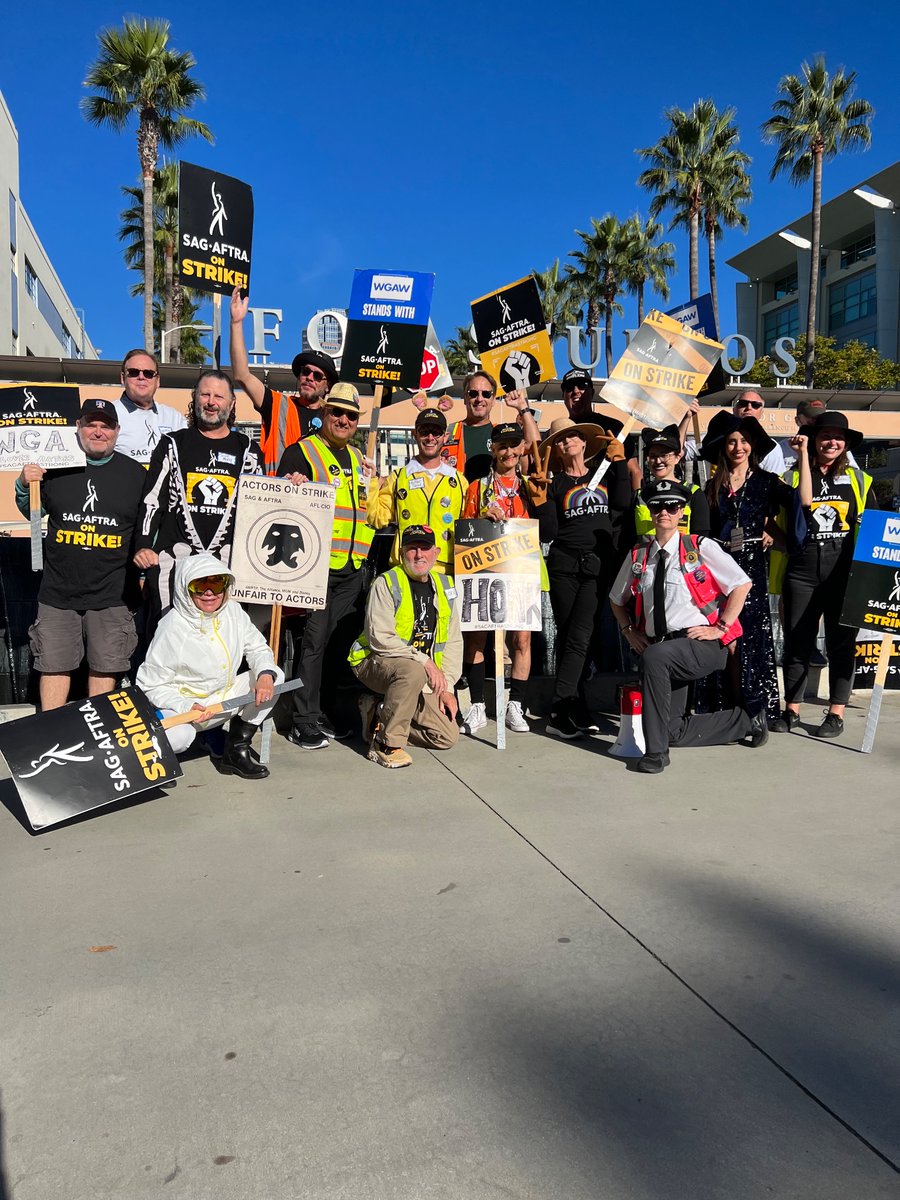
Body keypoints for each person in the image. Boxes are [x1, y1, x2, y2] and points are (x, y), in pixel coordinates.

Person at [609, 479, 767, 774]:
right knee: (672, 729)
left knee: (655, 657)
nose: (664, 512)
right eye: (657, 506)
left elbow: (742, 584)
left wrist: (721, 627)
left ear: (682, 511)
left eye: (671, 506)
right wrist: (629, 630)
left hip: (703, 645)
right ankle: (745, 721)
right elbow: (616, 600)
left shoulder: (699, 547)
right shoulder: (639, 556)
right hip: (665, 650)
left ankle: (656, 753)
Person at [15, 399, 147, 710]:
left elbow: (147, 529)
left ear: (117, 430)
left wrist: (143, 573)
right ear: (78, 426)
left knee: (106, 665)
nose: (98, 431)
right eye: (91, 424)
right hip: (59, 591)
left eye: (106, 425)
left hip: (113, 593)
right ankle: (51, 731)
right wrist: (24, 485)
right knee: (53, 664)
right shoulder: (56, 465)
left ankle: (96, 735)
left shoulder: (136, 474)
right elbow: (31, 513)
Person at [278, 382, 376, 750]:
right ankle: (303, 718)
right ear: (324, 413)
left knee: (339, 645)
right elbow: (279, 505)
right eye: (337, 412)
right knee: (314, 645)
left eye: (351, 415)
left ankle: (324, 711)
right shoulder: (301, 452)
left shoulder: (358, 459)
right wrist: (292, 486)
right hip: (315, 568)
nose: (344, 419)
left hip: (353, 567)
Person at [772, 411, 877, 738]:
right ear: (813, 441)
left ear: (845, 444)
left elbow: (876, 529)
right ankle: (792, 710)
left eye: (838, 437)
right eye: (825, 436)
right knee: (797, 642)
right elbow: (771, 517)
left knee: (840, 644)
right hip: (800, 573)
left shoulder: (861, 481)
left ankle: (836, 713)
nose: (832, 442)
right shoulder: (791, 477)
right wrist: (782, 541)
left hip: (843, 575)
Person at [137, 554, 283, 780]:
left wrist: (264, 674)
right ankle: (158, 763)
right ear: (186, 589)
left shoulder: (233, 611)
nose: (209, 593)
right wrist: (186, 705)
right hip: (186, 708)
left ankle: (236, 751)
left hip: (223, 700)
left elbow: (258, 647)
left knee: (275, 676)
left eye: (216, 584)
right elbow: (149, 685)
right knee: (178, 737)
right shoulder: (172, 627)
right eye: (199, 585)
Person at [134, 369, 264, 620]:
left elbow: (259, 508)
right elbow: (152, 501)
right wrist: (142, 546)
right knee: (168, 638)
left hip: (226, 564)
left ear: (232, 403)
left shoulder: (248, 451)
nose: (211, 402)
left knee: (223, 642)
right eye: (205, 394)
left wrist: (292, 486)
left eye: (219, 396)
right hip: (175, 561)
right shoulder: (171, 444)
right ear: (195, 398)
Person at [698, 412, 799, 727]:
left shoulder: (767, 481)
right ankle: (724, 707)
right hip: (719, 569)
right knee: (722, 637)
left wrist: (805, 458)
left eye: (743, 441)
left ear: (752, 445)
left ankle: (754, 710)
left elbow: (800, 502)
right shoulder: (712, 485)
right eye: (731, 441)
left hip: (752, 567)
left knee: (750, 638)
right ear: (723, 447)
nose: (738, 447)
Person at [539, 416, 632, 738]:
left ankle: (567, 704)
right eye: (561, 440)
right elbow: (550, 532)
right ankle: (565, 707)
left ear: (583, 442)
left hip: (597, 567)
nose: (568, 442)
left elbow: (622, 503)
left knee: (582, 637)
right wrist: (541, 502)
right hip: (564, 566)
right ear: (557, 450)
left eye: (573, 436)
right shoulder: (554, 484)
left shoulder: (603, 474)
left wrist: (619, 463)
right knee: (571, 637)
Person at [459, 422, 552, 735]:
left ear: (522, 448)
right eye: (503, 446)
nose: (509, 452)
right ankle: (476, 706)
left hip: (523, 570)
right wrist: (483, 516)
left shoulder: (531, 485)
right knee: (477, 636)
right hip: (483, 569)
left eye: (515, 445)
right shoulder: (477, 487)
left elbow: (548, 526)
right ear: (492, 449)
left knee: (521, 639)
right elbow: (464, 528)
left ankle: (516, 705)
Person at [349, 525, 461, 768]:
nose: (419, 555)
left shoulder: (446, 586)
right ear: (402, 553)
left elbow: (452, 641)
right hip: (373, 662)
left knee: (446, 737)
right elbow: (380, 638)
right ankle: (385, 744)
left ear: (436, 552)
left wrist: (447, 688)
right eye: (412, 549)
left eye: (425, 548)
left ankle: (378, 718)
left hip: (421, 675)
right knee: (412, 671)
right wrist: (425, 662)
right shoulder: (386, 582)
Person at [229, 286, 338, 474]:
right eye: (305, 372)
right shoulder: (277, 405)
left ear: (327, 386)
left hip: (317, 499)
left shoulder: (334, 418)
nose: (309, 378)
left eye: (317, 375)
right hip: (278, 495)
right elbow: (242, 375)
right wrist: (236, 323)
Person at [368, 405, 467, 573]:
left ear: (445, 437)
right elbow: (376, 518)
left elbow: (469, 526)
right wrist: (370, 483)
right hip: (405, 566)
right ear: (415, 434)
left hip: (446, 570)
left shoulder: (459, 481)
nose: (430, 438)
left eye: (436, 432)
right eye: (424, 431)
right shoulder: (398, 478)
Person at [441, 370, 540, 482]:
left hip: (493, 498)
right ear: (465, 398)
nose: (479, 399)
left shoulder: (501, 433)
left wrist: (522, 407)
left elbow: (534, 446)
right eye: (473, 393)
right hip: (457, 497)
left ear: (493, 400)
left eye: (486, 394)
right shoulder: (449, 433)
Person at [622, 424, 710, 547]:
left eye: (664, 455)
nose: (658, 461)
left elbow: (701, 541)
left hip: (682, 562)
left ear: (677, 457)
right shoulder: (640, 496)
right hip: (646, 563)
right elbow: (628, 539)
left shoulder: (694, 493)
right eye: (653, 456)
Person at [681, 390, 786, 475]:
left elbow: (776, 485)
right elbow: (679, 452)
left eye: (755, 405)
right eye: (743, 403)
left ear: (762, 412)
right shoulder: (714, 438)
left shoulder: (771, 448)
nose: (748, 408)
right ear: (734, 409)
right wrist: (686, 418)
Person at [112, 348, 187, 464]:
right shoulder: (109, 415)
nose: (141, 377)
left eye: (148, 373)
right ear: (123, 378)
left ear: (158, 381)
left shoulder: (174, 418)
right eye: (133, 372)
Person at [780, 397, 859, 471]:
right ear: (797, 420)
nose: (816, 423)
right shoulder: (782, 448)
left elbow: (853, 476)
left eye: (820, 419)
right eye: (811, 419)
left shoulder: (837, 449)